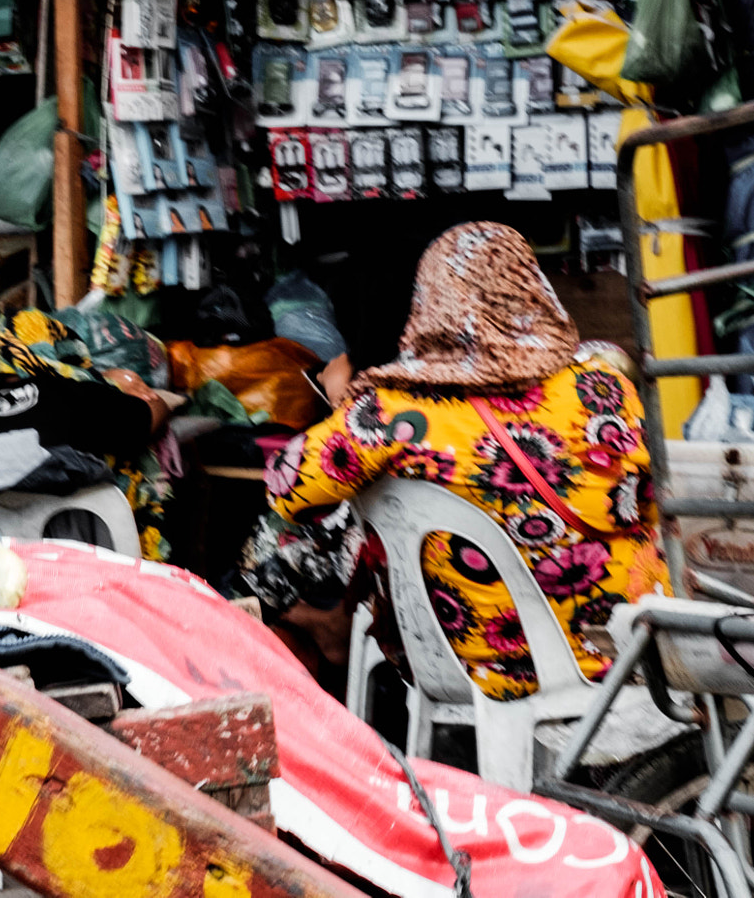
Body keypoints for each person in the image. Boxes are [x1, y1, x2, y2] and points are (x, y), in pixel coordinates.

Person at [259, 221, 668, 700]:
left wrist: (344, 399)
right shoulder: (604, 387)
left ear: (431, 302)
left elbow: (285, 492)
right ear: (534, 290)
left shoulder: (390, 411)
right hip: (630, 647)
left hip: (483, 666)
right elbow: (652, 498)